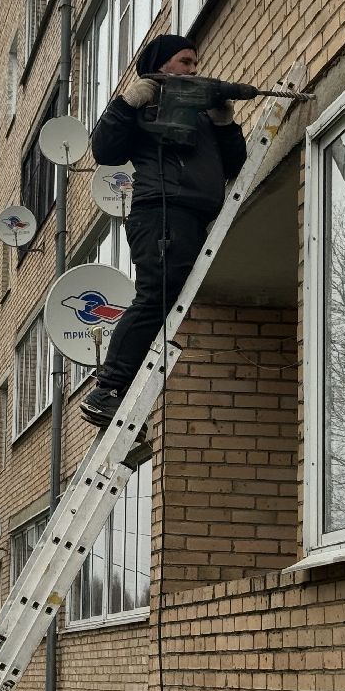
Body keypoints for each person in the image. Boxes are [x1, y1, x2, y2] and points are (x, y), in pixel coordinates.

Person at [81, 34, 246, 426]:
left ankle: (117, 387)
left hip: (192, 217)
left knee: (166, 301)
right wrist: (127, 102)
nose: (194, 69)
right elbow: (105, 151)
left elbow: (235, 164)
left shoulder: (201, 115)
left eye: (195, 62)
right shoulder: (145, 107)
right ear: (162, 66)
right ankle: (107, 388)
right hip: (161, 214)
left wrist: (224, 124)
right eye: (186, 61)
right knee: (156, 297)